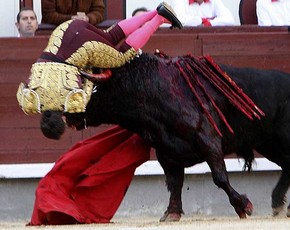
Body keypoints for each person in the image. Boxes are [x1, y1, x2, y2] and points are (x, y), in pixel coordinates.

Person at [167, 0, 235, 26]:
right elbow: (178, 20)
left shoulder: (214, 1)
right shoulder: (179, 1)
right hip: (184, 42)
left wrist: (210, 23)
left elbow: (230, 19)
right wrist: (202, 21)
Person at [41, 0, 105, 26]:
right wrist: (71, 19)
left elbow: (99, 12)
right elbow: (48, 14)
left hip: (84, 32)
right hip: (56, 34)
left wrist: (87, 18)